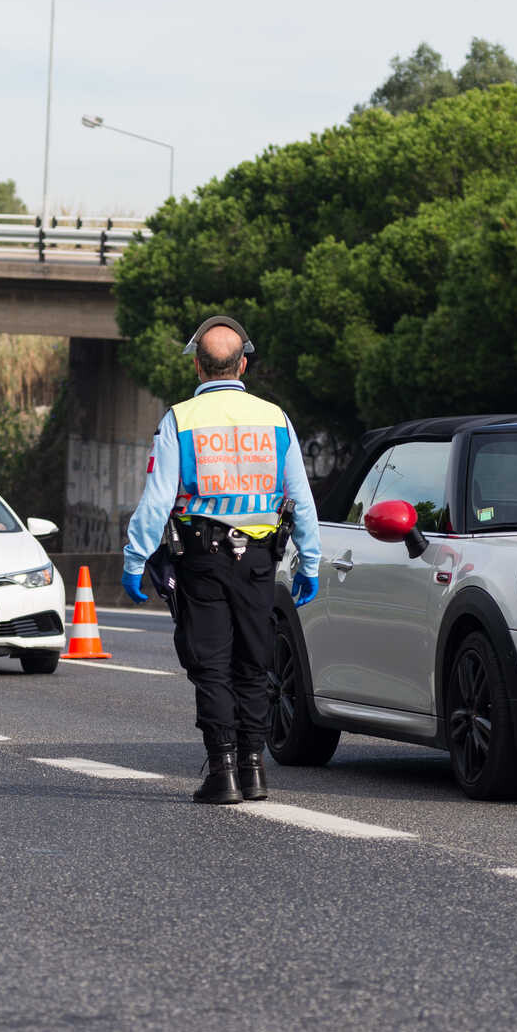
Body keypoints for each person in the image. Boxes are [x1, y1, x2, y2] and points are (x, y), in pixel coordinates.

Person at [121, 316, 322, 805]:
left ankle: (224, 773)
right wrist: (309, 563)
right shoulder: (275, 418)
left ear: (197, 365)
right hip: (258, 561)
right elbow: (301, 497)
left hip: (202, 559)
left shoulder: (180, 419)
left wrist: (134, 558)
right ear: (244, 364)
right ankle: (255, 771)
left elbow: (157, 499)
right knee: (253, 664)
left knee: (211, 666)